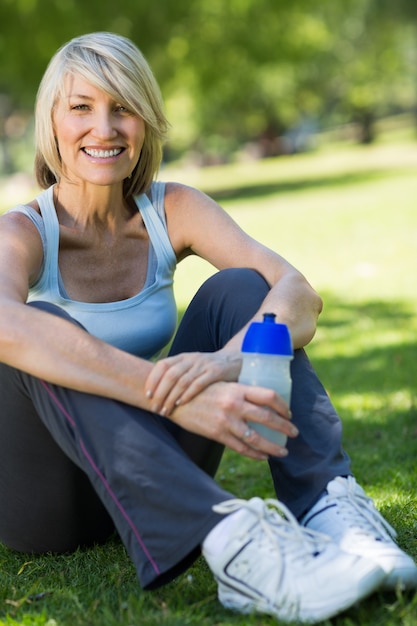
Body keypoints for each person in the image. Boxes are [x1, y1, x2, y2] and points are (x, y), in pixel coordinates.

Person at [0, 32, 415, 624]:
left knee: (246, 289)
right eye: (82, 107)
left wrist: (224, 362)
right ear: (51, 122)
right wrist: (169, 398)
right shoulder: (21, 232)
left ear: (145, 119)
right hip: (50, 503)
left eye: (123, 106)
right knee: (33, 330)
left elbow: (299, 293)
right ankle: (242, 550)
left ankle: (329, 507)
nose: (105, 128)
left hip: (157, 467)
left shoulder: (171, 209)